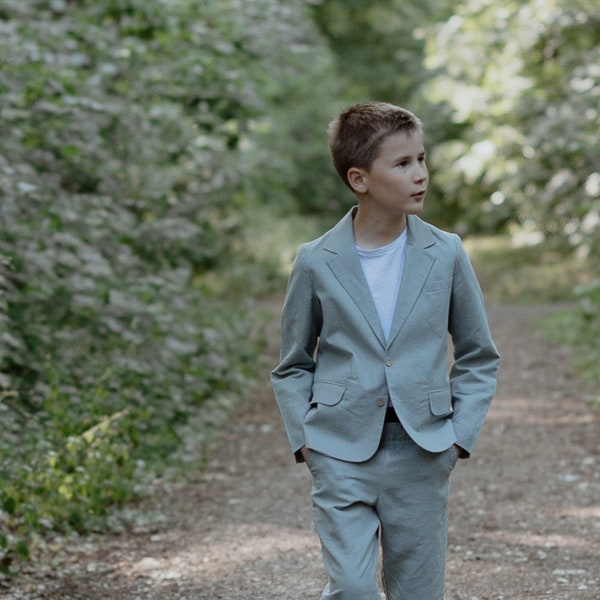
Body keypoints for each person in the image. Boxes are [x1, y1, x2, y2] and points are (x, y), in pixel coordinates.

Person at [271, 101, 500, 600]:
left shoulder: (447, 252)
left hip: (422, 450)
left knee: (417, 592)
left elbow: (479, 354)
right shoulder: (315, 261)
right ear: (359, 179)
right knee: (352, 588)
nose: (419, 174)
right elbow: (292, 365)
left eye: (421, 159)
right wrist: (307, 440)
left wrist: (459, 436)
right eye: (402, 164)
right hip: (339, 447)